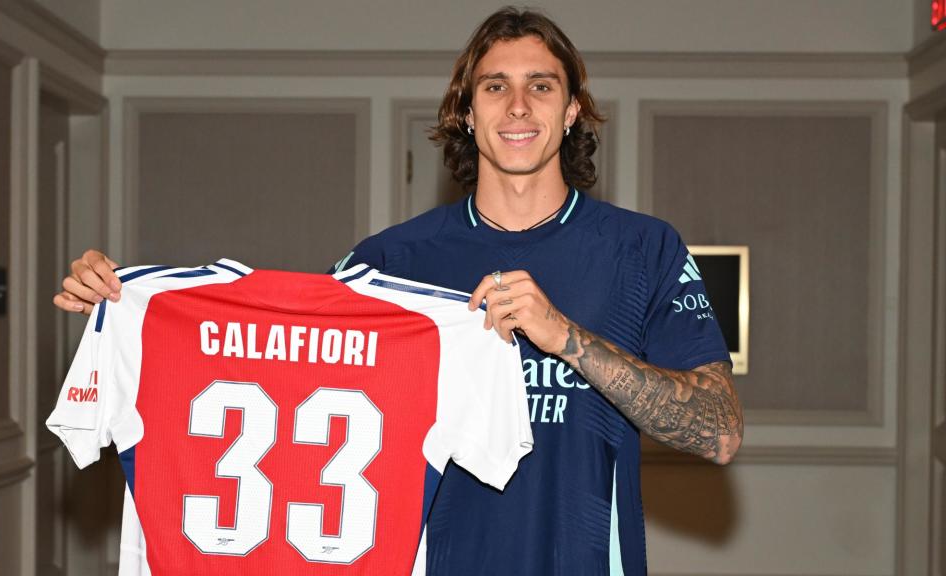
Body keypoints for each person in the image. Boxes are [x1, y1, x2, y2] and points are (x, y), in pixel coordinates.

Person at [55, 7, 743, 575]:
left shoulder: (644, 249)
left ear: (571, 112)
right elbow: (274, 361)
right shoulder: (392, 261)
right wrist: (130, 306)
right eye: (494, 86)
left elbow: (720, 432)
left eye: (542, 85)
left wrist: (564, 336)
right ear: (467, 113)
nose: (518, 105)